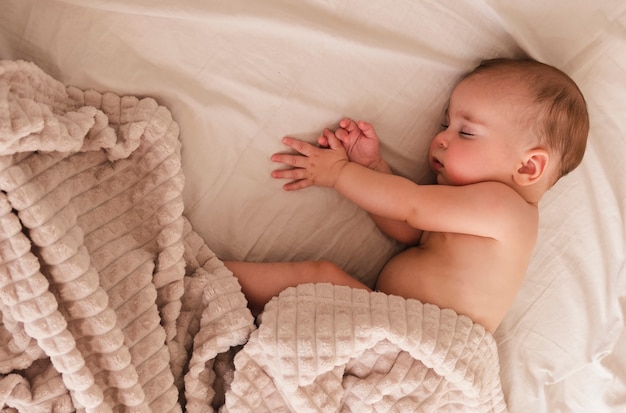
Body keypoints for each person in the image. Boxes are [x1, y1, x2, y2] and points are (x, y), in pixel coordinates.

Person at [225, 58, 589, 333]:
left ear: (528, 167)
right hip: (396, 328)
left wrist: (339, 174)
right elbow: (407, 228)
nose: (441, 138)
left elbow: (411, 205)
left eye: (467, 132)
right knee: (317, 284)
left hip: (426, 343)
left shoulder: (506, 210)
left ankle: (212, 282)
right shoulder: (472, 206)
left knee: (320, 276)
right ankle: (215, 286)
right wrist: (373, 167)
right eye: (446, 124)